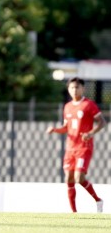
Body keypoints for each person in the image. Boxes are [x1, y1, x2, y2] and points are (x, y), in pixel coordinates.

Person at [46, 77, 106, 213]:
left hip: (84, 147)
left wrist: (91, 133)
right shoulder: (67, 107)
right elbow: (66, 128)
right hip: (70, 148)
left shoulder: (89, 104)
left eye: (77, 87)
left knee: (79, 178)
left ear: (83, 88)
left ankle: (98, 200)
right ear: (68, 89)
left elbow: (102, 122)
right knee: (68, 178)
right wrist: (55, 130)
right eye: (72, 87)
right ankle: (74, 213)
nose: (74, 90)